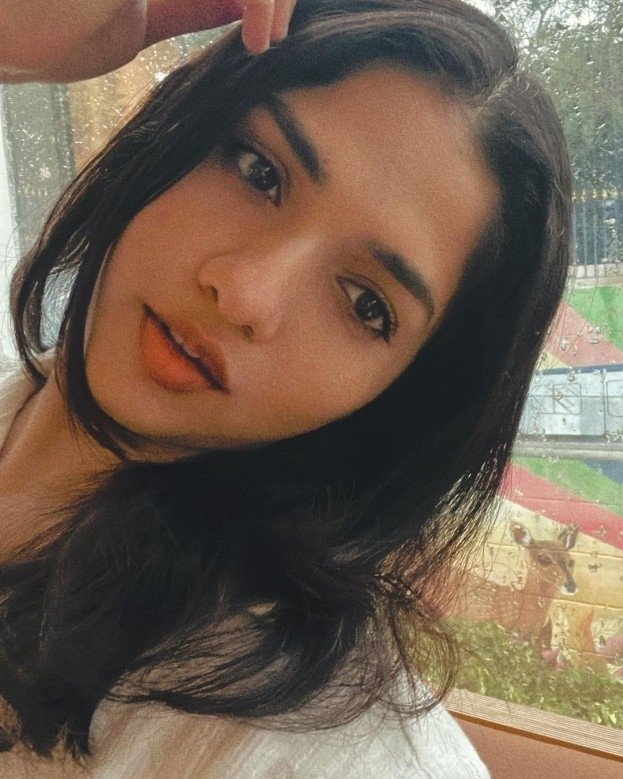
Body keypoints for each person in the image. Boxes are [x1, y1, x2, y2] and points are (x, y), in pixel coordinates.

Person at [0, 0, 571, 775]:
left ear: (403, 397)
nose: (244, 292)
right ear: (177, 129)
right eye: (258, 172)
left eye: (364, 304)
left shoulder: (326, 756)